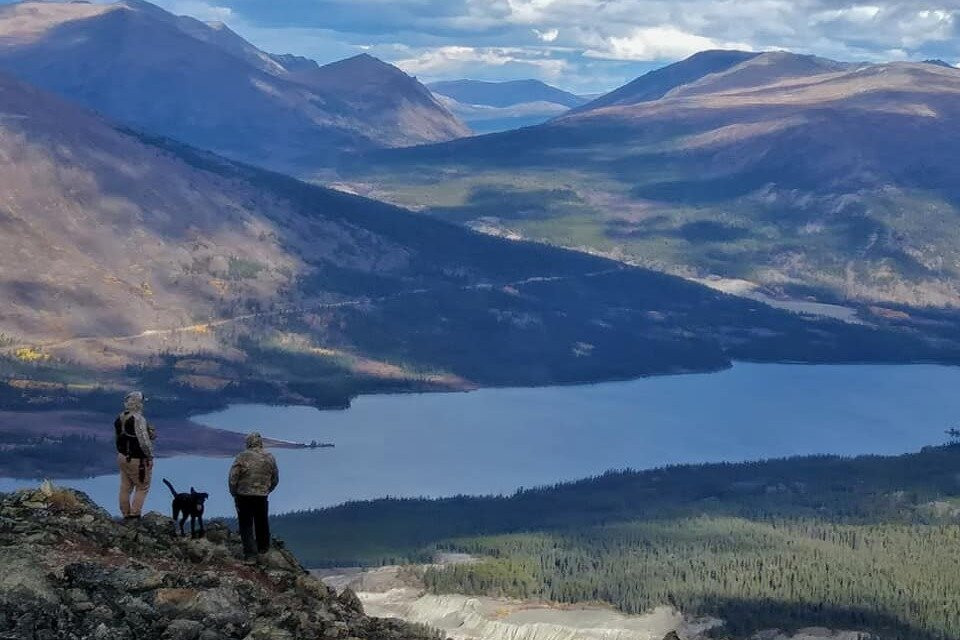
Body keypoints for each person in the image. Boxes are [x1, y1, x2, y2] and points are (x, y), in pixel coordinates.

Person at [229, 432, 279, 561]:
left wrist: (234, 492)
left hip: (243, 496)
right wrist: (266, 490)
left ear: (248, 442)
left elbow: (233, 477)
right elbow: (275, 479)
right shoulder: (270, 457)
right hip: (261, 496)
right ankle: (263, 550)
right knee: (261, 521)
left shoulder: (242, 457)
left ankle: (251, 555)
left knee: (246, 524)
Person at [114, 391, 155, 520]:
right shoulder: (139, 419)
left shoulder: (120, 417)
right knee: (142, 487)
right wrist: (149, 456)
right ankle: (135, 515)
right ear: (139, 404)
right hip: (138, 460)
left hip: (122, 457)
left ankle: (125, 514)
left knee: (125, 487)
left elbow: (118, 438)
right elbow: (144, 441)